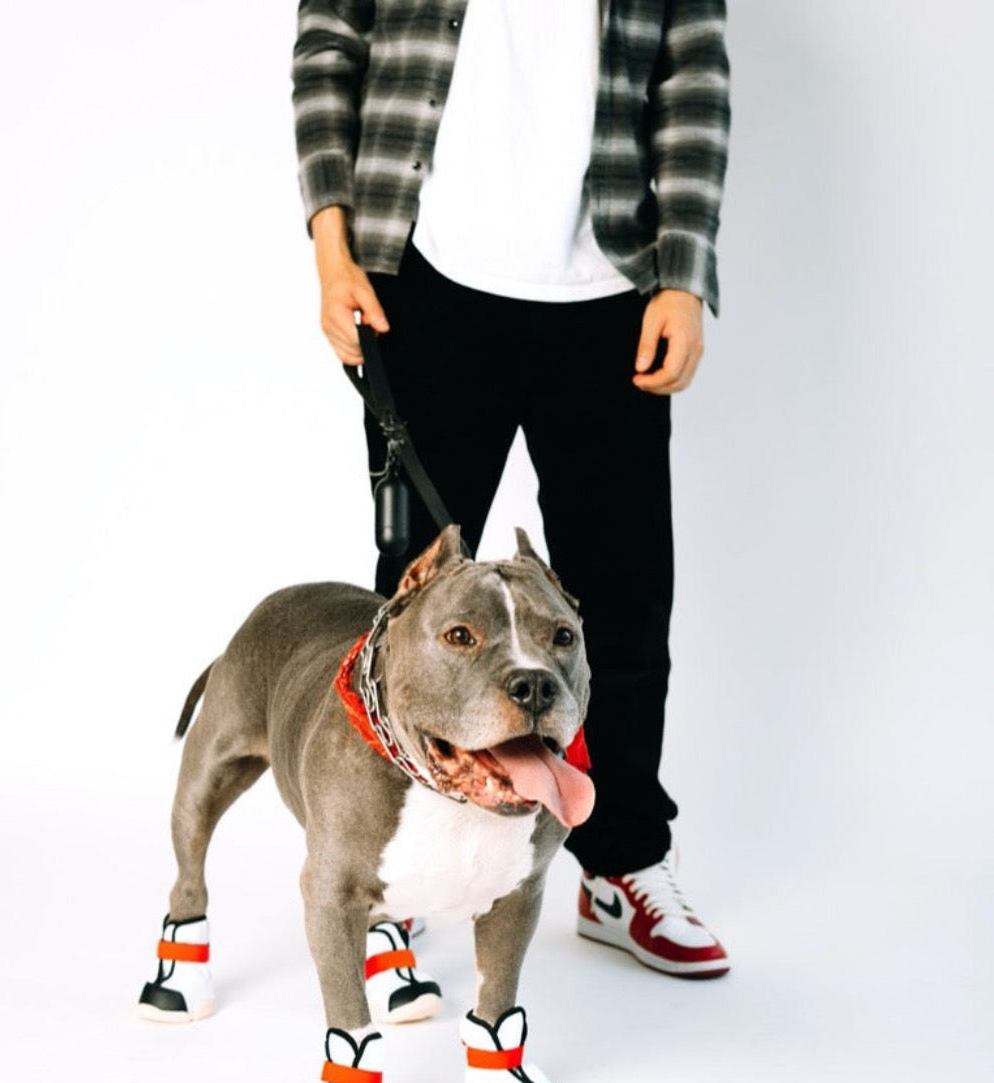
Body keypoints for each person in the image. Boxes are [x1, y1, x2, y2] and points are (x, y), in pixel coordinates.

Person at [291, 0, 731, 983]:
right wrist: (331, 243)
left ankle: (620, 860)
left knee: (620, 603)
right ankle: (393, 873)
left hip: (611, 290)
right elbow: (330, 47)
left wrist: (683, 273)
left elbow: (692, 80)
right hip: (426, 277)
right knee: (416, 606)